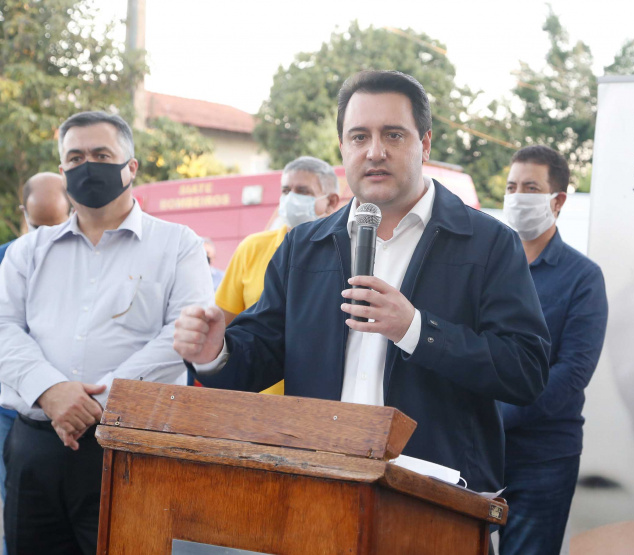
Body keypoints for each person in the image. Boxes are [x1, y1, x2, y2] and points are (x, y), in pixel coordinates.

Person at [174, 70, 550, 494]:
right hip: (317, 489)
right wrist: (215, 353)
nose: (374, 152)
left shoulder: (487, 243)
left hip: (435, 500)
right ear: (341, 147)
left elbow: (525, 371)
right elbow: (261, 352)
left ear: (424, 144)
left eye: (393, 135)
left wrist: (416, 330)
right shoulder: (305, 245)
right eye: (358, 137)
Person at [0, 111, 213, 555]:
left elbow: (181, 334)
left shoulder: (178, 245)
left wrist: (93, 401)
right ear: (62, 171)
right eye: (75, 157)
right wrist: (51, 391)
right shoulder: (27, 252)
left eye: (102, 154)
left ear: (130, 166)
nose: (88, 165)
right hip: (35, 448)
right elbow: (4, 328)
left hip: (129, 447)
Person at [496, 145, 608, 555]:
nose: (517, 196)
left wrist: (497, 414)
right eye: (511, 187)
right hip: (479, 451)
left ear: (557, 200)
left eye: (530, 187)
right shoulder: (488, 265)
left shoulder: (583, 278)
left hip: (542, 458)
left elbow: (572, 372)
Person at [0, 172, 71, 554]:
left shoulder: (86, 262)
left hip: (77, 407)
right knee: (21, 511)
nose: (43, 236)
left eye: (54, 225)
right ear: (22, 213)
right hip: (15, 413)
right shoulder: (5, 258)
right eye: (36, 225)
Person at [216, 157, 340, 327]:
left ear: (331, 202)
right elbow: (221, 326)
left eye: (303, 191)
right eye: (286, 190)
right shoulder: (252, 248)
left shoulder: (342, 251)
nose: (291, 198)